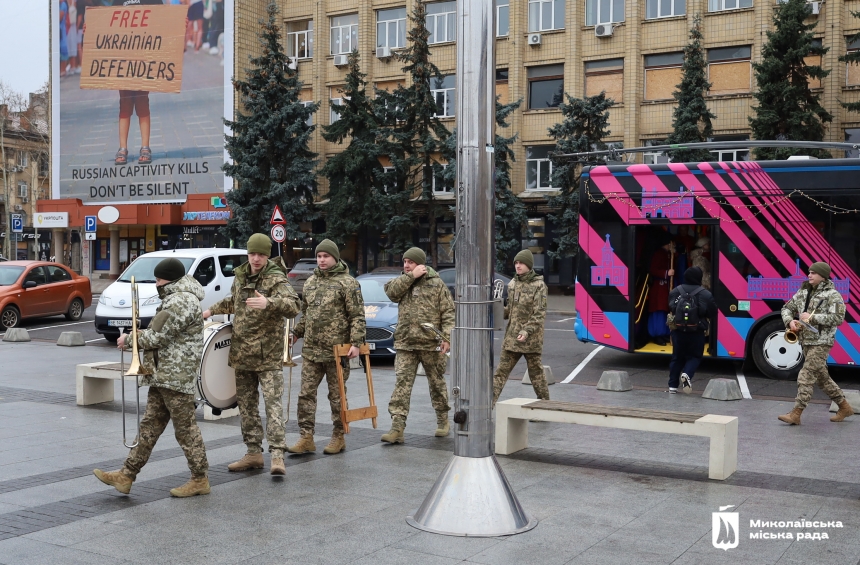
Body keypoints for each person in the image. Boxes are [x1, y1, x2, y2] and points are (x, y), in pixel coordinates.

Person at [93, 258, 209, 497]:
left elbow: (157, 336)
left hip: (175, 376)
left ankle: (200, 479)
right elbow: (160, 331)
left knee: (186, 429)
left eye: (159, 279)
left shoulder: (180, 300)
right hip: (164, 374)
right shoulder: (176, 297)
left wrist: (130, 340)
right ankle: (126, 475)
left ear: (170, 279)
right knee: (149, 427)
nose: (156, 284)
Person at [203, 234, 301, 474]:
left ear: (267, 255)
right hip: (243, 353)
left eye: (261, 254)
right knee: (247, 407)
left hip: (267, 355)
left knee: (273, 405)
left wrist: (269, 302)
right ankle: (253, 453)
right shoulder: (241, 274)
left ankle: (277, 456)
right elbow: (235, 302)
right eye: (252, 254)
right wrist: (210, 311)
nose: (256, 259)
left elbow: (294, 305)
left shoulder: (276, 278)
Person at [288, 240, 366, 455]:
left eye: (326, 256)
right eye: (319, 256)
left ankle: (338, 436)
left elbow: (357, 316)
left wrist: (356, 343)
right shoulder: (310, 282)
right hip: (312, 351)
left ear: (335, 258)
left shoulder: (348, 283)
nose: (322, 260)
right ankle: (306, 437)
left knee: (337, 396)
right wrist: (296, 333)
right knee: (305, 395)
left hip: (336, 351)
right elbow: (306, 314)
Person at [380, 247, 454, 444]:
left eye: (410, 262)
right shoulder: (402, 282)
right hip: (406, 343)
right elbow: (391, 293)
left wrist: (447, 338)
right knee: (401, 385)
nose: (406, 265)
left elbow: (448, 313)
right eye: (404, 262)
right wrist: (410, 276)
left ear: (421, 264)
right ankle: (397, 427)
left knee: (437, 383)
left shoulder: (436, 284)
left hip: (431, 343)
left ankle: (442, 419)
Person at [778, 262, 854, 425]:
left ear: (823, 276)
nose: (809, 275)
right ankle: (844, 406)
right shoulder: (803, 292)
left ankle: (796, 413)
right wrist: (790, 321)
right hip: (806, 341)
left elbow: (838, 318)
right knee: (822, 378)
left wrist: (812, 318)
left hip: (822, 341)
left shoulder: (833, 295)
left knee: (805, 375)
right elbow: (786, 308)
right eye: (809, 272)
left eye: (813, 273)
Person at [492, 249, 549, 406]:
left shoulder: (539, 286)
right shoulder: (512, 284)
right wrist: (496, 310)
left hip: (530, 341)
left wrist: (526, 331)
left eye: (521, 263)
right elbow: (510, 311)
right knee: (500, 374)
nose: (518, 266)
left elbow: (539, 314)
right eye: (516, 263)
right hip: (512, 339)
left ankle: (545, 408)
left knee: (536, 375)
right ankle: (487, 407)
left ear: (529, 265)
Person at [111, 0, 165, 165]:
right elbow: (107, 24)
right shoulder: (118, 1)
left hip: (144, 59)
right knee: (125, 105)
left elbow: (165, 21)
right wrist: (91, 29)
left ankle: (145, 147)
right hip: (124, 60)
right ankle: (122, 148)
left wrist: (179, 24)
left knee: (142, 103)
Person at [667, 267, 716, 394]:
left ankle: (672, 386)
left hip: (678, 330)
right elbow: (712, 312)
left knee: (677, 357)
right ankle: (687, 374)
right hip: (696, 331)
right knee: (695, 356)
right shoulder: (705, 294)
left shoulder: (675, 291)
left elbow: (672, 307)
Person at [648, 232, 675, 346]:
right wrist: (666, 273)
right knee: (658, 311)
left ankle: (663, 333)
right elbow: (653, 270)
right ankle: (657, 334)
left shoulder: (668, 254)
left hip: (665, 287)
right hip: (658, 287)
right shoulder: (658, 254)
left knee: (664, 310)